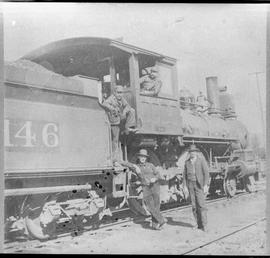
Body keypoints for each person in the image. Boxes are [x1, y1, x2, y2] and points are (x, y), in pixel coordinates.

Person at [101, 85, 137, 160]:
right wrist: (112, 108)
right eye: (118, 92)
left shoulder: (121, 99)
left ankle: (128, 127)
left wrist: (124, 111)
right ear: (114, 92)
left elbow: (128, 106)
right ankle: (113, 157)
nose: (120, 94)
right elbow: (104, 104)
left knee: (132, 110)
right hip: (114, 121)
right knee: (115, 139)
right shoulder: (111, 98)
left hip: (120, 119)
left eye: (121, 93)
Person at [135, 149, 166, 230]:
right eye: (141, 156)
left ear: (146, 158)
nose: (143, 158)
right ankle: (162, 221)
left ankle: (155, 225)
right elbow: (130, 165)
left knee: (156, 206)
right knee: (149, 206)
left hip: (155, 186)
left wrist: (154, 179)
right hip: (146, 187)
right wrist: (118, 161)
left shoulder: (151, 165)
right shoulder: (137, 167)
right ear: (138, 157)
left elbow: (158, 175)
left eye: (144, 157)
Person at [183, 144, 210, 232]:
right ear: (189, 153)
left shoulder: (201, 161)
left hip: (199, 185)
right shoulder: (187, 162)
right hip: (190, 184)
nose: (192, 153)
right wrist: (185, 187)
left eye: (194, 152)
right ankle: (198, 224)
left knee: (201, 205)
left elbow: (206, 173)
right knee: (194, 206)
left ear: (196, 152)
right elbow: (184, 176)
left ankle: (204, 225)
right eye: (191, 152)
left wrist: (206, 185)